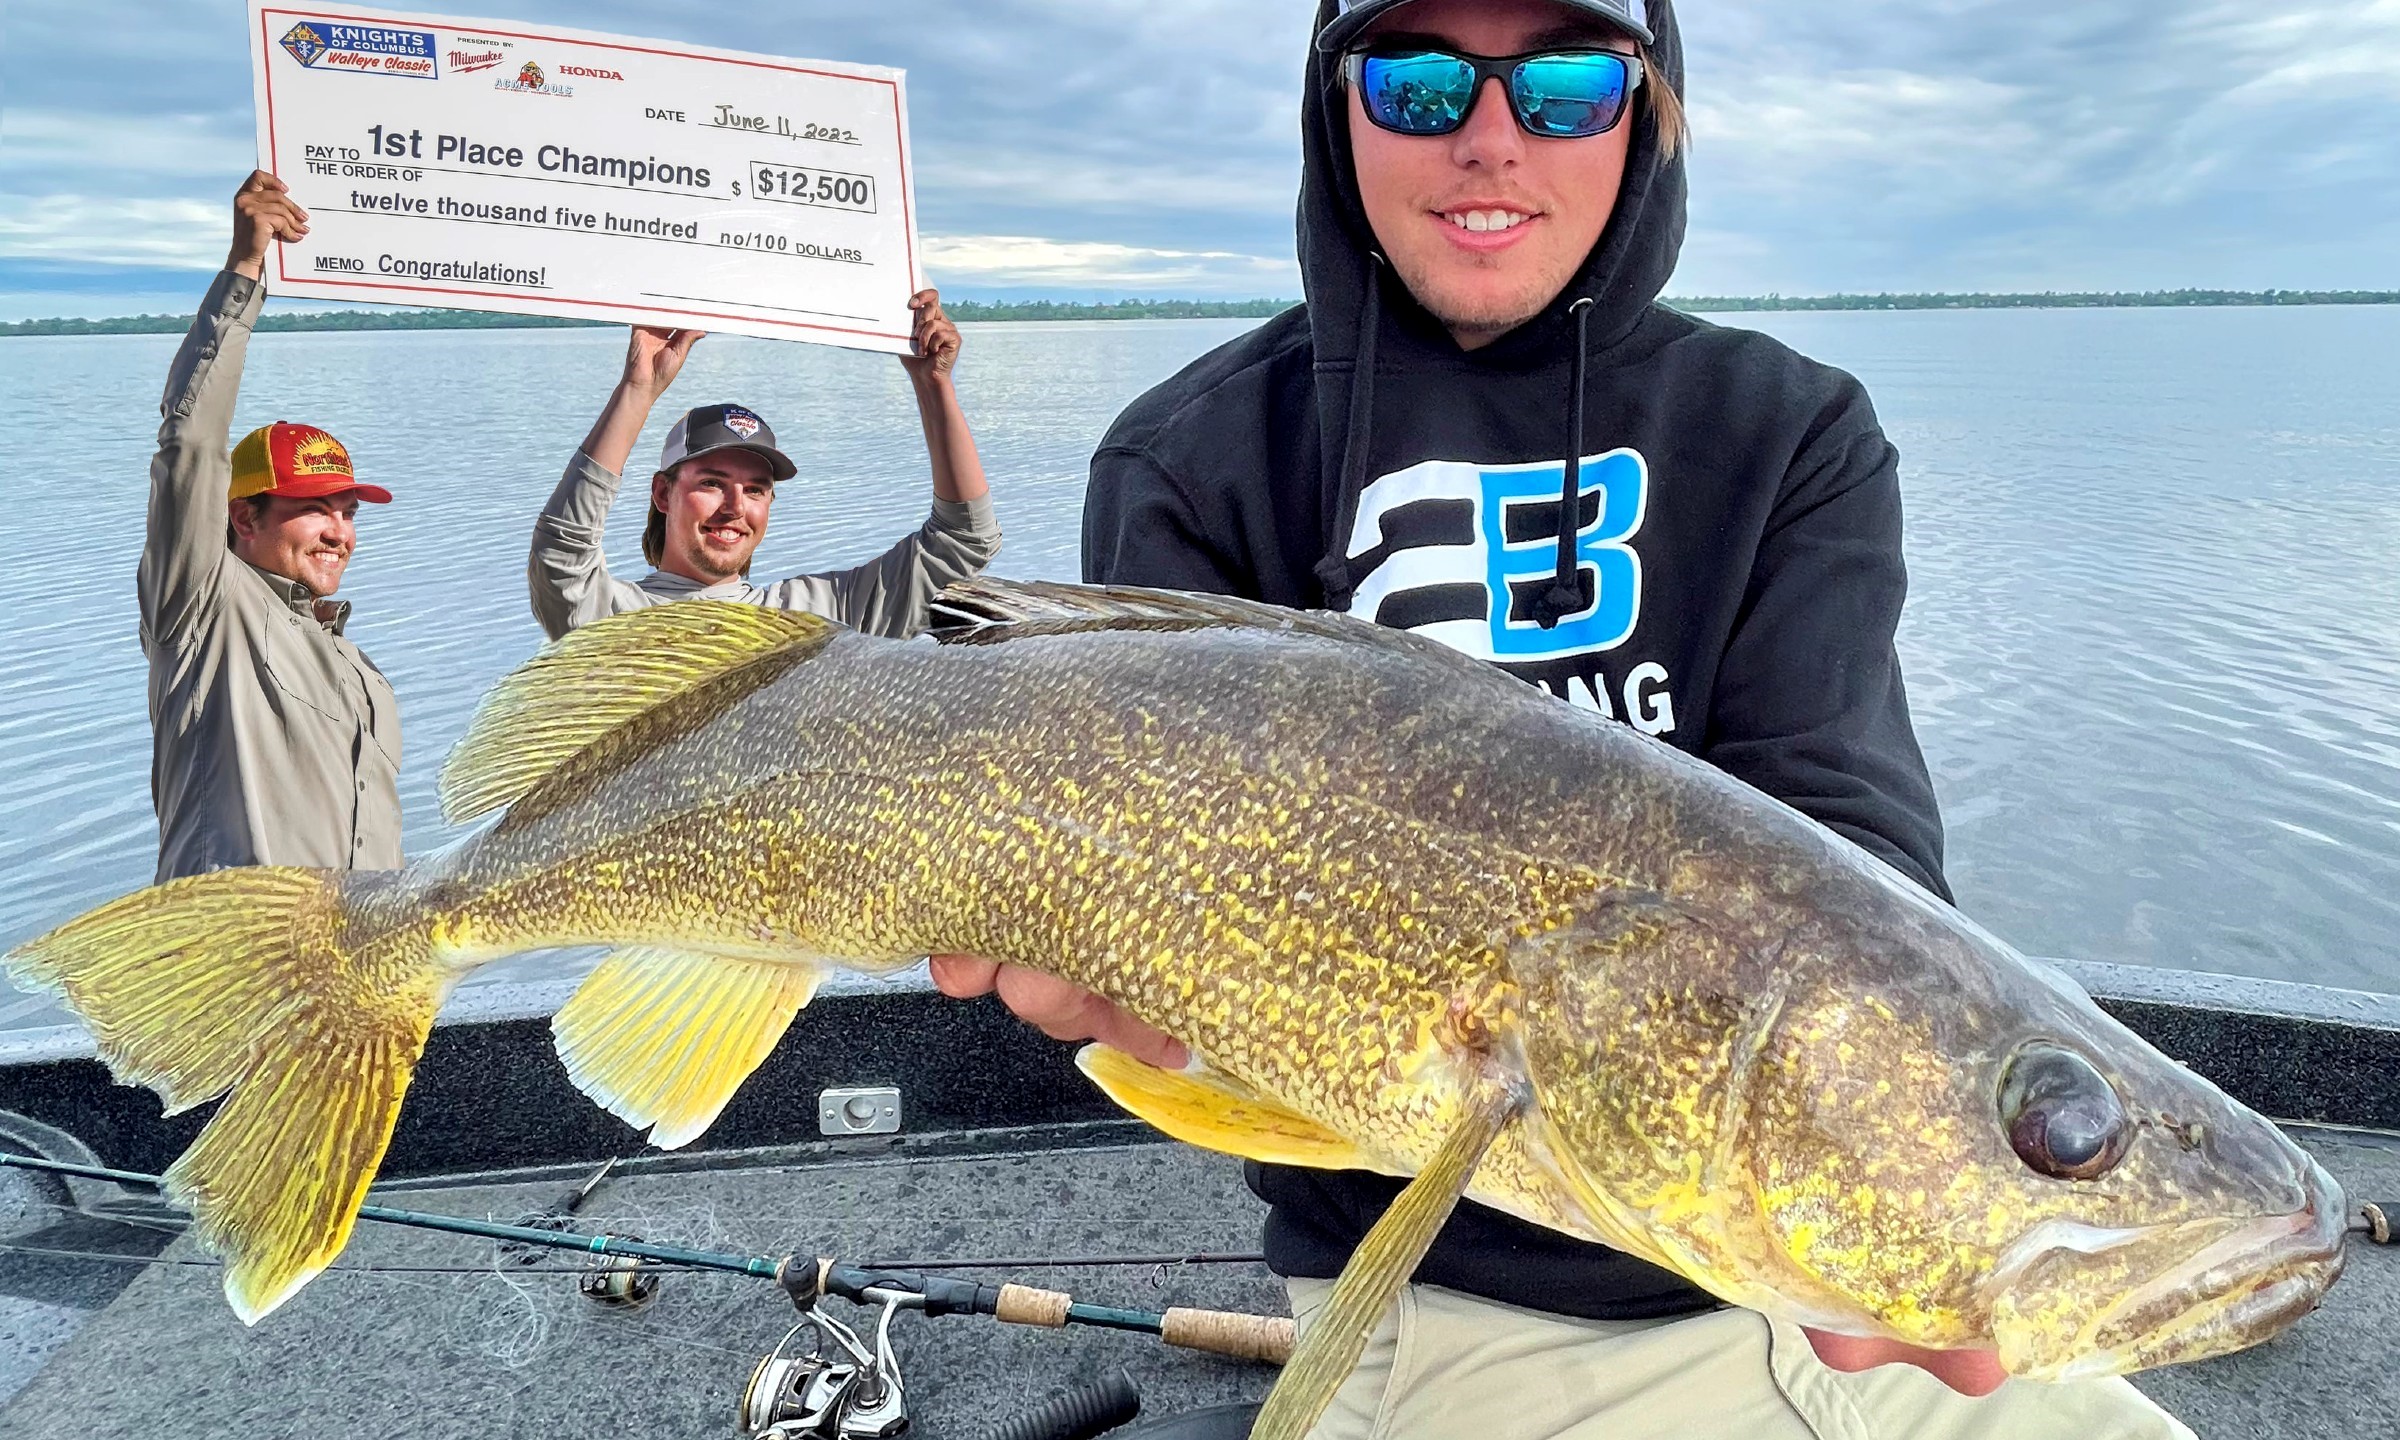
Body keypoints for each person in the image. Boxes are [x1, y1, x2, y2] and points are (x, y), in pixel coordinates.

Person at [936, 1, 2194, 1436]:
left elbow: (1852, 852)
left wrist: (1908, 1174)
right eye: (1415, 83)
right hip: (1463, 1301)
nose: (1488, 137)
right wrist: (1122, 998)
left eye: (1566, 84)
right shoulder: (1197, 456)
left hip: (1820, 1262)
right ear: (1332, 108)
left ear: (1648, 110)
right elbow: (1141, 949)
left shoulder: (1791, 432)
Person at [141, 170, 402, 882]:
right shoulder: (201, 609)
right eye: (315, 509)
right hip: (230, 973)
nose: (338, 533)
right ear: (241, 515)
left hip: (352, 971)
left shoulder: (356, 667)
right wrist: (246, 267)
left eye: (347, 514)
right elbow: (190, 446)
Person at [529, 296, 1000, 639]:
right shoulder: (608, 617)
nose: (734, 507)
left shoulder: (820, 615)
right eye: (712, 483)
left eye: (755, 490)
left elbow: (963, 542)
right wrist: (637, 390)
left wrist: (933, 385)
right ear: (662, 493)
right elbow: (562, 551)